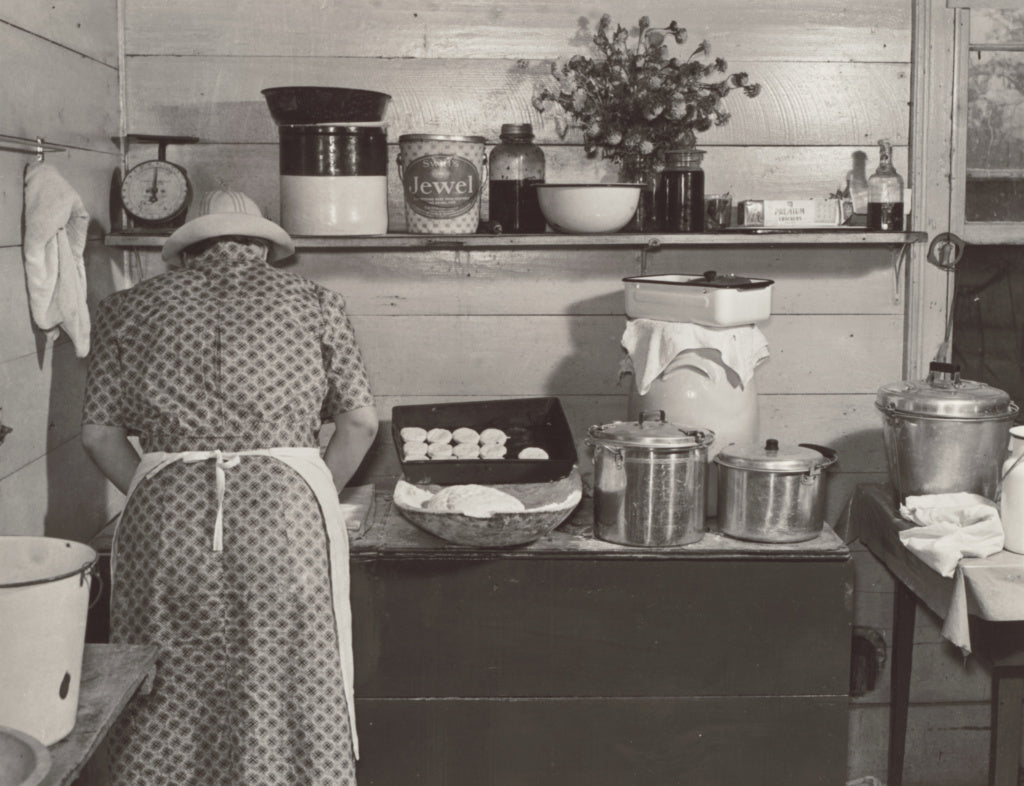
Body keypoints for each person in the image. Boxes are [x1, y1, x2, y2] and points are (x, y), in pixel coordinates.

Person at [81, 190, 378, 785]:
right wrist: (307, 485)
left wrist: (154, 483)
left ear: (191, 249)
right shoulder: (317, 302)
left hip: (166, 520)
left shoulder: (127, 308)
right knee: (285, 674)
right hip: (285, 516)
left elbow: (96, 434)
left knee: (163, 680)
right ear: (265, 247)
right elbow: (361, 423)